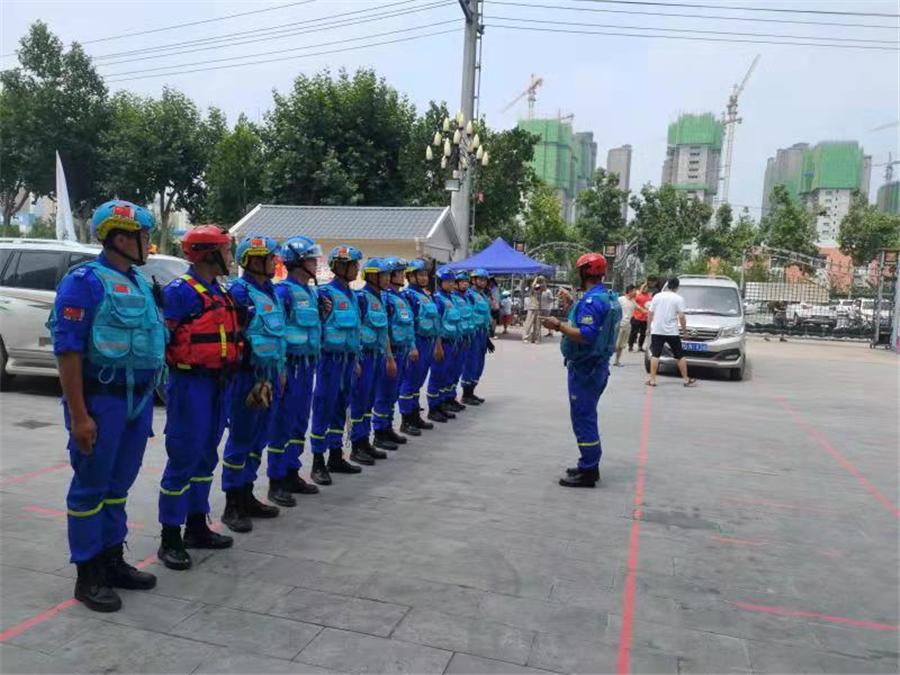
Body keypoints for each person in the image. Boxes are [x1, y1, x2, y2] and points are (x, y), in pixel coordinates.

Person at [50, 199, 165, 612]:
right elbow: (68, 351)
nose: (148, 243)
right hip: (101, 402)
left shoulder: (136, 282)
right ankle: (88, 572)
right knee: (91, 488)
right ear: (120, 238)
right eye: (143, 236)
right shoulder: (84, 282)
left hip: (135, 404)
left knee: (118, 488)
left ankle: (112, 559)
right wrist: (80, 416)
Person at [157, 226, 238, 571]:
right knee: (184, 458)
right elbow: (162, 339)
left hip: (218, 384)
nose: (231, 257)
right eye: (225, 250)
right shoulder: (180, 292)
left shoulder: (220, 292)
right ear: (208, 254)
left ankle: (196, 524)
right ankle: (170, 537)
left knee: (206, 458)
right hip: (190, 384)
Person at [220, 236, 286, 533]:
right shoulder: (238, 292)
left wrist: (279, 370)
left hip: (268, 375)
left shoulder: (270, 291)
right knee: (241, 438)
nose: (275, 262)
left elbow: (277, 335)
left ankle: (247, 492)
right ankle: (232, 502)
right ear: (255, 260)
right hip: (246, 376)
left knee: (259, 437)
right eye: (270, 258)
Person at [541, 253, 621, 488]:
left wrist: (558, 325)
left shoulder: (592, 302)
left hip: (586, 367)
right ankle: (588, 465)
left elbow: (586, 335)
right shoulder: (607, 298)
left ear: (584, 273)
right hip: (597, 366)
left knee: (583, 417)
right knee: (586, 415)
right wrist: (572, 303)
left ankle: (588, 470)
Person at [267, 236, 323, 502]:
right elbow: (277, 333)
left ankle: (292, 471)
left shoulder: (312, 292)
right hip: (289, 366)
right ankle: (276, 480)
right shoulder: (283, 292)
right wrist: (280, 368)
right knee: (283, 423)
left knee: (300, 421)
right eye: (312, 258)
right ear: (298, 262)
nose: (316, 262)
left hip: (308, 365)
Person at [308, 246, 365, 485]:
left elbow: (356, 330)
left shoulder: (352, 294)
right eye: (353, 265)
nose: (356, 269)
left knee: (341, 407)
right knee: (323, 407)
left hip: (348, 360)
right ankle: (317, 461)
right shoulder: (324, 294)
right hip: (329, 361)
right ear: (340, 266)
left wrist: (357, 359)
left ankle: (335, 455)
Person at [349, 258, 397, 461]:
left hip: (377, 357)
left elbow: (384, 331)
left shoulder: (381, 299)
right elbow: (355, 331)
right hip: (364, 357)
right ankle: (356, 445)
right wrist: (357, 360)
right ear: (372, 277)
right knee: (359, 402)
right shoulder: (361, 298)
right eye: (384, 275)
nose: (388, 279)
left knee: (368, 401)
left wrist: (389, 357)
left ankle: (365, 441)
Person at [372, 257, 418, 445]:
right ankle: (379, 432)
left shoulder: (402, 298)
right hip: (390, 353)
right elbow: (384, 331)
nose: (402, 276)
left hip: (403, 351)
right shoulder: (385, 299)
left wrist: (412, 347)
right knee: (384, 393)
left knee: (393, 392)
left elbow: (408, 326)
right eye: (398, 273)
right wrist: (389, 357)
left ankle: (388, 426)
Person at [398, 258, 441, 433]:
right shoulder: (407, 296)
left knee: (417, 382)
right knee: (409, 382)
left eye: (425, 275)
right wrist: (412, 346)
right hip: (417, 342)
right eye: (420, 275)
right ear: (410, 276)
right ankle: (406, 418)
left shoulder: (426, 295)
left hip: (428, 343)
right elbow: (408, 324)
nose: (424, 278)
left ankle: (415, 414)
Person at [646, 277, 697, 387]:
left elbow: (650, 313)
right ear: (677, 287)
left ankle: (652, 380)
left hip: (657, 330)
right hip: (672, 332)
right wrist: (685, 332)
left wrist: (649, 328)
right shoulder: (678, 299)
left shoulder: (657, 296)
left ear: (668, 284)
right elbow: (682, 316)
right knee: (680, 355)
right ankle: (686, 379)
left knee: (655, 355)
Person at [427, 267, 462, 422]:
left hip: (453, 342)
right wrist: (438, 345)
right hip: (442, 343)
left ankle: (442, 403)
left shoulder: (451, 298)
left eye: (452, 281)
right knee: (437, 375)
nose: (451, 284)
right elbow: (436, 325)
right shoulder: (438, 299)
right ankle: (433, 408)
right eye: (447, 281)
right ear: (440, 282)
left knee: (447, 374)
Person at [461, 268, 495, 405]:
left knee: (479, 363)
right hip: (472, 333)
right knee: (471, 362)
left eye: (484, 280)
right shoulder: (469, 295)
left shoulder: (483, 295)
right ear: (473, 280)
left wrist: (487, 337)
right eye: (480, 279)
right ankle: (466, 393)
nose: (483, 282)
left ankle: (472, 391)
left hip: (481, 333)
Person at [446, 270, 474, 412]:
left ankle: (451, 397)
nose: (465, 284)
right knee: (447, 372)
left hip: (464, 337)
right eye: (462, 281)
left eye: (466, 281)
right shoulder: (451, 298)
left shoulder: (467, 297)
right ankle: (441, 402)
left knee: (457, 370)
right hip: (452, 339)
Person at [613, 284, 637, 367]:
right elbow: (613, 309)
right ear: (630, 291)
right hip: (619, 325)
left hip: (627, 326)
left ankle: (617, 361)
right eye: (634, 291)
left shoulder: (633, 301)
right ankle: (606, 359)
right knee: (615, 345)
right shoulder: (620, 299)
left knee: (621, 345)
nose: (635, 292)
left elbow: (641, 309)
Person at [628, 282, 652, 352]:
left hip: (645, 318)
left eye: (646, 287)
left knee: (643, 333)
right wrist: (644, 285)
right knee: (634, 332)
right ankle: (630, 346)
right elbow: (631, 299)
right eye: (644, 287)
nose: (645, 288)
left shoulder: (649, 296)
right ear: (641, 288)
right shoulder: (637, 294)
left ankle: (640, 346)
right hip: (636, 317)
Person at [522, 276, 545, 343]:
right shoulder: (532, 291)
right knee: (528, 323)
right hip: (531, 308)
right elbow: (533, 286)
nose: (537, 288)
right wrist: (536, 278)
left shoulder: (540, 291)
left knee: (537, 324)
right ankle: (525, 337)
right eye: (536, 287)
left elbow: (544, 287)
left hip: (538, 308)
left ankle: (535, 338)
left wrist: (542, 280)